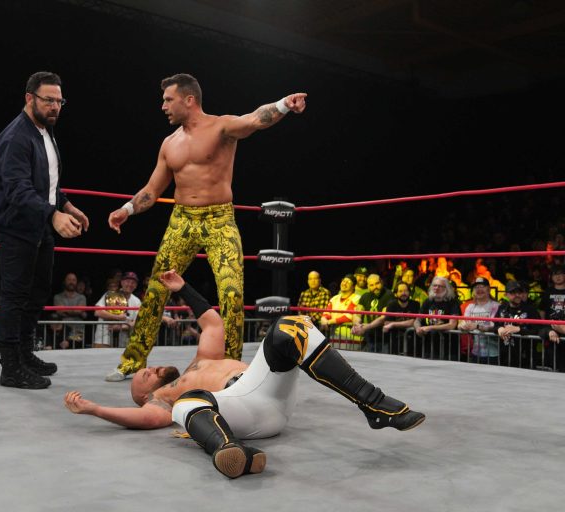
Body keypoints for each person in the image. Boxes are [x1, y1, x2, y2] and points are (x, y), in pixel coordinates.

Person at [65, 270, 424, 479]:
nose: (150, 368)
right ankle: (231, 451)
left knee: (292, 325)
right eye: (144, 375)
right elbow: (140, 419)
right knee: (185, 405)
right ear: (144, 394)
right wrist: (94, 409)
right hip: (240, 413)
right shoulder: (160, 400)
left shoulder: (201, 360)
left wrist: (182, 288)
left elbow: (212, 323)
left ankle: (374, 405)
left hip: (267, 392)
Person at [104, 73, 306, 381]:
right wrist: (127, 209)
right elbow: (152, 189)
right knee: (157, 287)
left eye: (168, 100)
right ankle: (131, 361)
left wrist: (284, 104)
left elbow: (255, 120)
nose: (163, 106)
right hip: (182, 219)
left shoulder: (221, 127)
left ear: (189, 100)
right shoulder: (169, 143)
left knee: (231, 292)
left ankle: (231, 367)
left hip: (219, 219)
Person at [0, 71, 88, 389]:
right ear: (29, 98)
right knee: (15, 294)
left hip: (38, 222)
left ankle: (24, 353)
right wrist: (53, 215)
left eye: (59, 101)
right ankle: (10, 367)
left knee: (38, 290)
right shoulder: (17, 137)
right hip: (16, 224)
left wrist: (66, 205)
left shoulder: (45, 131)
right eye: (48, 100)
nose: (55, 106)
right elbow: (17, 190)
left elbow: (47, 182)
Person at [93, 272, 142, 348]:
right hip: (104, 339)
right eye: (127, 281)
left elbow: (138, 321)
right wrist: (118, 317)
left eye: (133, 283)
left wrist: (122, 327)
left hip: (124, 343)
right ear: (122, 282)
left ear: (136, 286)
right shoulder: (110, 294)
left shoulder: (137, 301)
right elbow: (97, 312)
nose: (130, 284)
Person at [457, 277, 500, 364]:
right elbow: (463, 323)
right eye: (476, 287)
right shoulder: (470, 307)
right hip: (475, 352)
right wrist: (462, 326)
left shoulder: (496, 306)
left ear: (488, 289)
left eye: (482, 286)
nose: (479, 289)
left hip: (493, 353)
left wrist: (476, 326)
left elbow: (493, 326)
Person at [52, 272, 87, 349]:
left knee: (77, 352)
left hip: (78, 331)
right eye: (69, 280)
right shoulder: (57, 297)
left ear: (76, 282)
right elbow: (59, 311)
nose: (71, 282)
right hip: (62, 331)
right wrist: (76, 311)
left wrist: (65, 310)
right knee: (60, 351)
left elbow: (79, 311)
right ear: (65, 282)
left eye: (74, 280)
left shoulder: (82, 297)